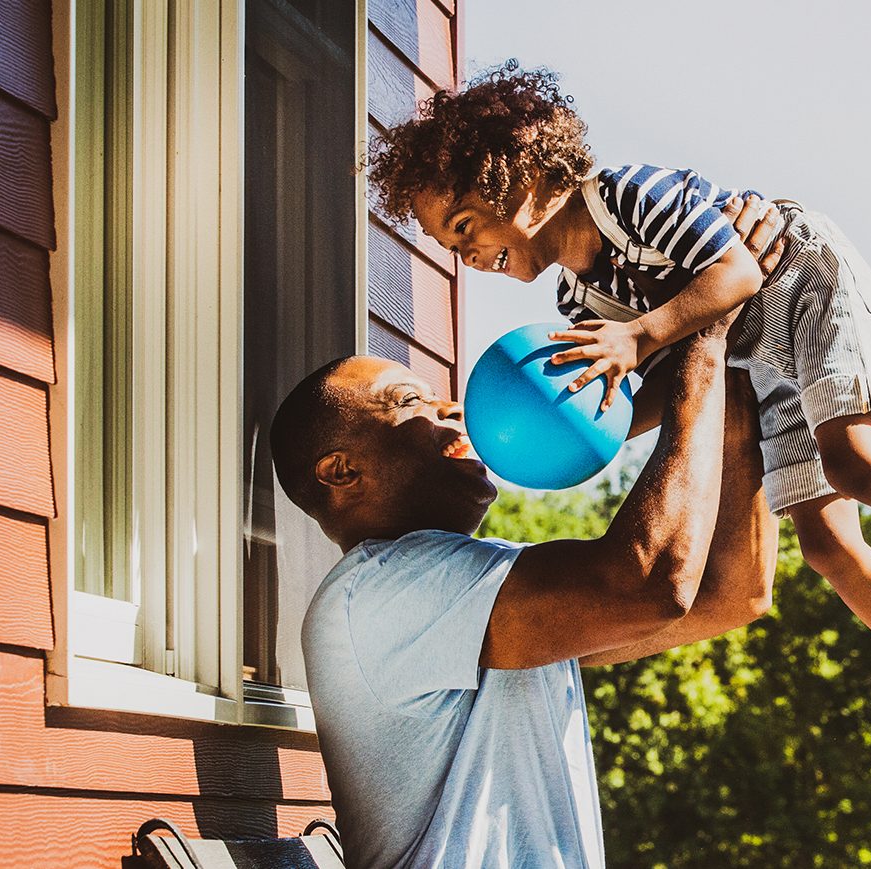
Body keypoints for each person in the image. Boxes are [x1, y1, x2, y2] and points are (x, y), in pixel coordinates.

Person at [364, 61, 871, 789]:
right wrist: (582, 419)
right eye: (451, 246)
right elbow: (668, 383)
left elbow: (736, 275)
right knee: (827, 544)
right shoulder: (579, 302)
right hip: (760, 363)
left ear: (524, 178)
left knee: (852, 459)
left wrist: (637, 337)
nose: (465, 255)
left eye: (464, 226)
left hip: (806, 288)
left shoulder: (626, 195)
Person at [271, 311, 771, 868]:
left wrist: (741, 380)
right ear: (341, 471)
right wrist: (704, 335)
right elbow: (650, 584)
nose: (452, 408)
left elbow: (731, 594)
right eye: (410, 401)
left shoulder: (467, 587)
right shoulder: (377, 591)